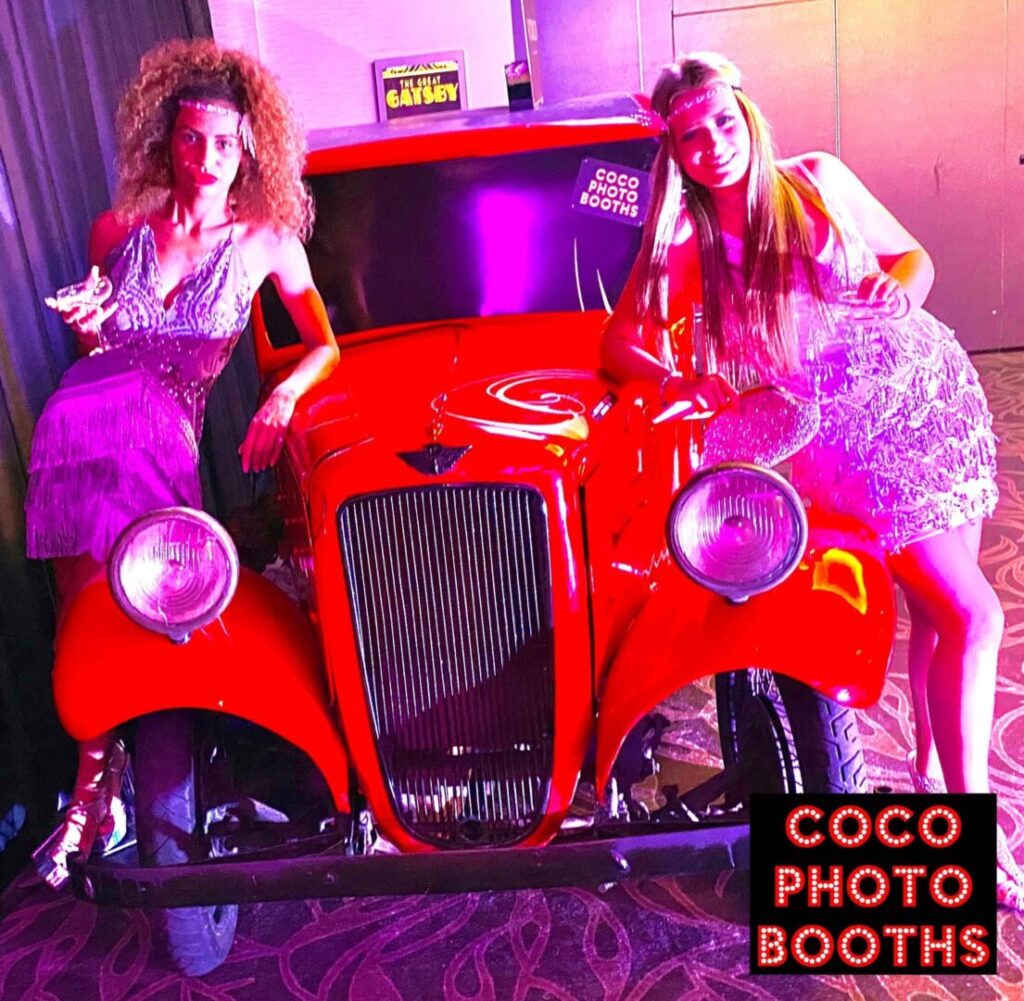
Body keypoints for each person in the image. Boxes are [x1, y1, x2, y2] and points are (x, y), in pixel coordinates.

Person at [601, 51, 1024, 911]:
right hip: (838, 437)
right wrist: (675, 379)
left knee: (942, 615)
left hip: (926, 397)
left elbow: (915, 261)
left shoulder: (817, 179)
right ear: (674, 152)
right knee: (974, 611)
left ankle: (929, 771)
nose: (713, 144)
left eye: (723, 122)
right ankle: (969, 827)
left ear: (746, 114)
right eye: (690, 136)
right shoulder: (690, 239)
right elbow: (619, 344)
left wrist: (895, 291)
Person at [24, 38, 340, 889]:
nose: (206, 158)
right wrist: (86, 329)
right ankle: (93, 792)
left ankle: (142, 787)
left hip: (162, 446)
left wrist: (280, 400)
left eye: (225, 142)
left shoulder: (268, 238)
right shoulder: (117, 226)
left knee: (155, 610)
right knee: (81, 614)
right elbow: (100, 344)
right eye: (192, 138)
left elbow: (324, 347)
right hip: (74, 434)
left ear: (249, 148)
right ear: (166, 140)